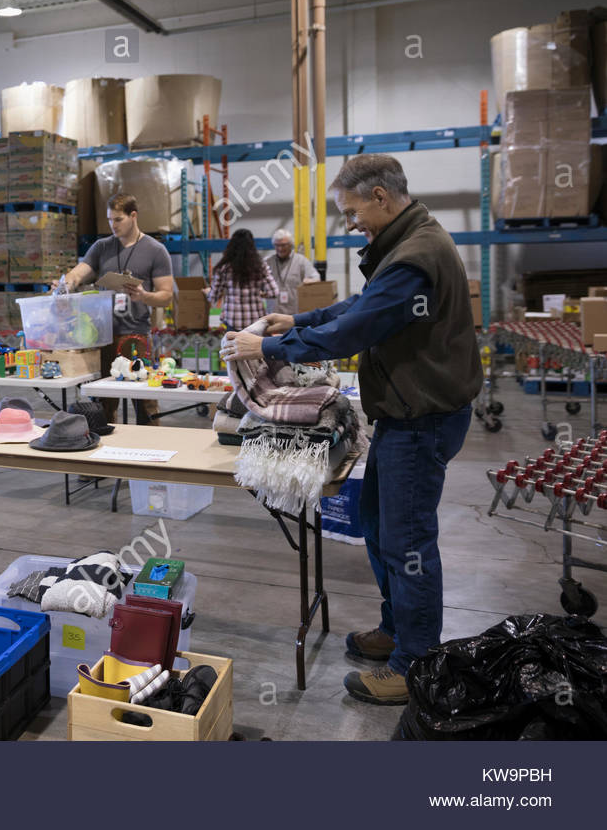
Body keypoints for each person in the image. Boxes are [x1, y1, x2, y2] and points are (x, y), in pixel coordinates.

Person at [223, 154, 481, 706]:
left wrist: (266, 347)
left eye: (353, 210)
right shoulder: (406, 245)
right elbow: (362, 304)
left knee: (408, 541)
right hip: (406, 416)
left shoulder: (417, 256)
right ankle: (397, 632)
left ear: (382, 197)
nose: (351, 222)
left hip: (422, 420)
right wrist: (300, 321)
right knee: (378, 525)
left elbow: (356, 330)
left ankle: (414, 665)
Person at [58, 193, 175, 425]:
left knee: (145, 401)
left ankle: (151, 449)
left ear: (133, 216)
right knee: (102, 402)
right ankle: (103, 449)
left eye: (118, 219)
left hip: (136, 336)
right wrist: (66, 283)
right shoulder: (101, 247)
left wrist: (144, 296)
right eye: (110, 219)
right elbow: (79, 272)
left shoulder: (156, 250)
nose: (113, 225)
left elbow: (166, 296)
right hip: (103, 337)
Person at [204, 229, 279, 332]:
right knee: (255, 348)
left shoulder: (224, 268)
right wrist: (260, 294)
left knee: (234, 348)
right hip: (256, 322)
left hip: (232, 321)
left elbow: (213, 297)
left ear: (232, 246)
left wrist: (208, 292)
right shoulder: (260, 266)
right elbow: (274, 292)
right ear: (252, 246)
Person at [264, 228, 320, 316]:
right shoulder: (267, 262)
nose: (280, 248)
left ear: (291, 245)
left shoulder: (301, 261)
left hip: (294, 314)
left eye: (283, 245)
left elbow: (316, 277)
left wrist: (310, 281)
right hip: (273, 313)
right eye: (277, 245)